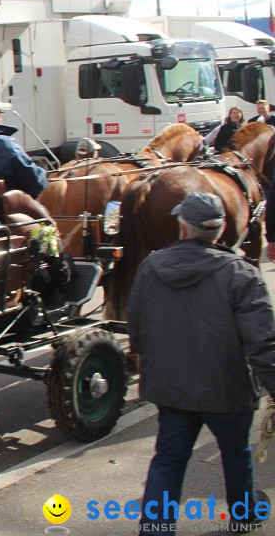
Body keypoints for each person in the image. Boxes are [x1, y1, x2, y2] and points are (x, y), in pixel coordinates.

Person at [129, 192, 275, 533]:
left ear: (182, 227)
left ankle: (155, 529)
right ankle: (242, 518)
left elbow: (136, 326)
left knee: (167, 460)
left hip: (173, 388)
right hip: (227, 389)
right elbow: (262, 341)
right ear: (220, 230)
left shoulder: (151, 266)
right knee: (236, 456)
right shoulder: (242, 273)